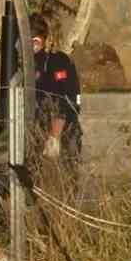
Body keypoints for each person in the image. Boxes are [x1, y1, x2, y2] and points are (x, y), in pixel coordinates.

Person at [30, 14, 82, 164]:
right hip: (38, 131)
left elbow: (66, 100)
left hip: (63, 133)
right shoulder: (32, 61)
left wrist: (54, 137)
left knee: (64, 180)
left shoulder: (58, 62)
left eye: (35, 41)